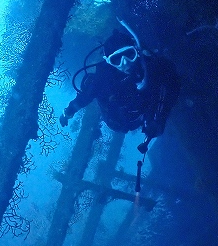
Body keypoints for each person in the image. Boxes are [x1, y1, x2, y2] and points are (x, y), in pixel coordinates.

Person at [60, 22, 180, 153]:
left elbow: (169, 85)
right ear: (108, 61)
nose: (125, 63)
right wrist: (68, 112)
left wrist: (159, 118)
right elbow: (84, 97)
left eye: (129, 54)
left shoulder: (151, 67)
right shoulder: (101, 80)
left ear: (137, 51)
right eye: (116, 59)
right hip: (118, 120)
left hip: (143, 111)